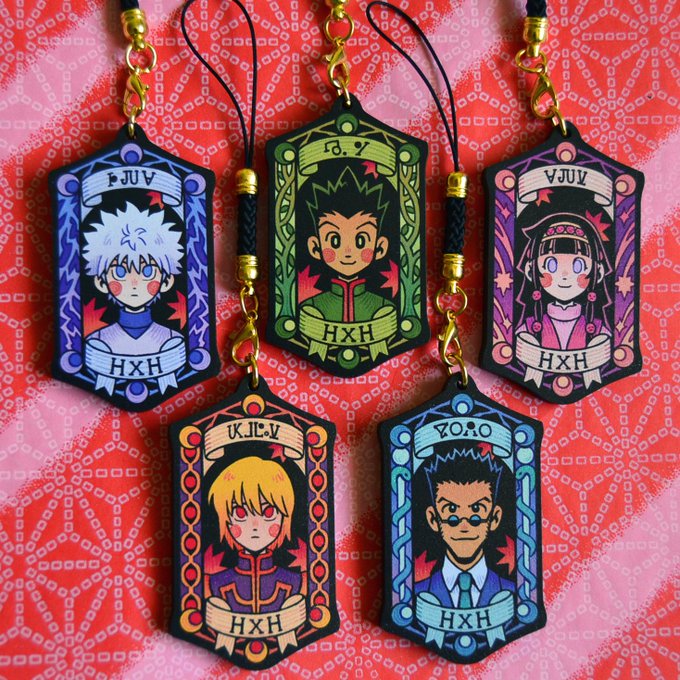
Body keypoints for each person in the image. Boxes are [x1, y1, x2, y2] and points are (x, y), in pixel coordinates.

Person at [81, 201, 185, 398]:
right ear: (101, 282)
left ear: (166, 281)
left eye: (148, 271)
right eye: (120, 272)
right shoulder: (98, 343)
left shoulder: (171, 342)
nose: (134, 282)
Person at [416, 448, 514, 608]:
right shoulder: (415, 596)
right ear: (433, 519)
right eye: (452, 513)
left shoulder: (514, 594)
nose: (464, 527)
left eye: (476, 513)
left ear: (494, 518)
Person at [207, 457, 302, 614]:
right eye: (240, 513)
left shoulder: (293, 582)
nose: (255, 525)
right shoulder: (218, 583)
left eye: (268, 513)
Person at [302, 166, 395, 323]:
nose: (347, 252)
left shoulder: (382, 308)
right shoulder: (312, 308)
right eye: (334, 241)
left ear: (380, 247)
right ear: (315, 247)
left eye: (361, 241)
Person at [516, 212, 611, 351]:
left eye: (578, 266)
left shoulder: (597, 330)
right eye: (551, 265)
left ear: (598, 272)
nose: (565, 275)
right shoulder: (529, 328)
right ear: (530, 270)